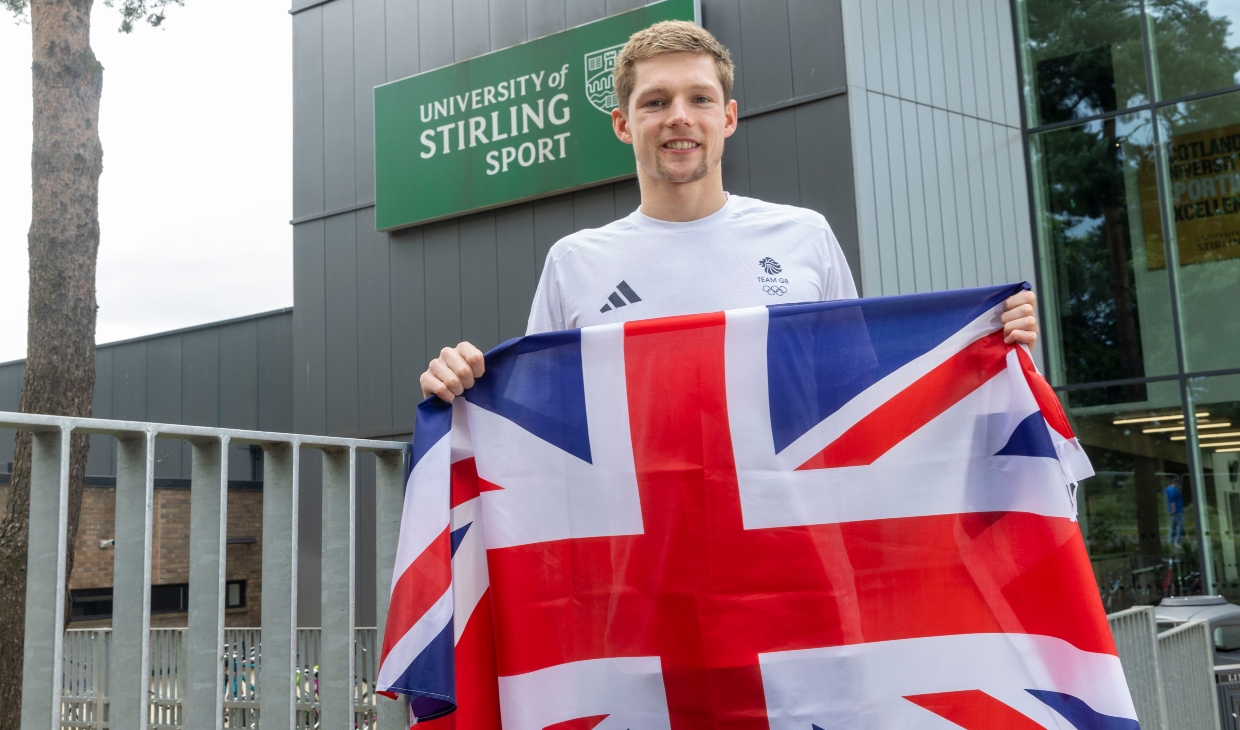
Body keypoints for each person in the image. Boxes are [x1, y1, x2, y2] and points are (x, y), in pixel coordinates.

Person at [420, 21, 1040, 402]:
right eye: (655, 101)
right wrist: (461, 389)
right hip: (643, 565)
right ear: (622, 124)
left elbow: (861, 398)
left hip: (787, 559)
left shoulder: (804, 237)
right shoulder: (574, 263)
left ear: (730, 117)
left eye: (700, 98)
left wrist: (981, 350)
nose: (679, 117)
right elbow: (541, 420)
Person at [1166, 477, 1185, 548]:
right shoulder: (1173, 490)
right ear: (1176, 483)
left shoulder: (1170, 489)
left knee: (1173, 526)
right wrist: (1173, 509)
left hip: (1177, 510)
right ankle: (1177, 541)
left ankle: (1170, 540)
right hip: (1177, 511)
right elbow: (1172, 500)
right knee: (1181, 525)